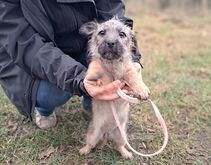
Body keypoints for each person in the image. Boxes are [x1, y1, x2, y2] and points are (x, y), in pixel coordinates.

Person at [0, 0, 142, 129]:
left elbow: (113, 18)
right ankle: (44, 110)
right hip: (36, 56)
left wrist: (132, 61)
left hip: (85, 46)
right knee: (49, 95)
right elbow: (28, 45)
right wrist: (79, 78)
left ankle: (92, 102)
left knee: (108, 69)